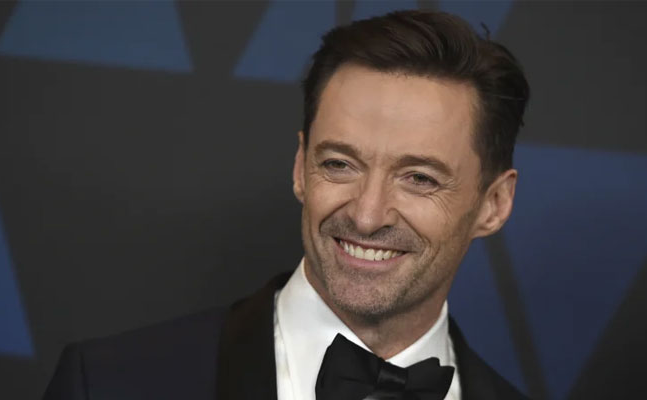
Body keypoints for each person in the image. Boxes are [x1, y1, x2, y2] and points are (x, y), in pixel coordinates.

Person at [43, 10, 529, 400]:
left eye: (419, 178)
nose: (366, 215)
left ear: (494, 203)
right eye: (339, 164)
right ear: (300, 167)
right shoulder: (107, 385)